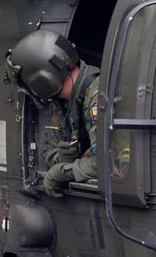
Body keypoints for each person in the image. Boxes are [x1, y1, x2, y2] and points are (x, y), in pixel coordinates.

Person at [7, 29, 100, 196]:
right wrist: (62, 158)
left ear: (43, 80)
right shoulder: (63, 103)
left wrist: (64, 171)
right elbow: (49, 150)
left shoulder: (97, 97)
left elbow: (110, 164)